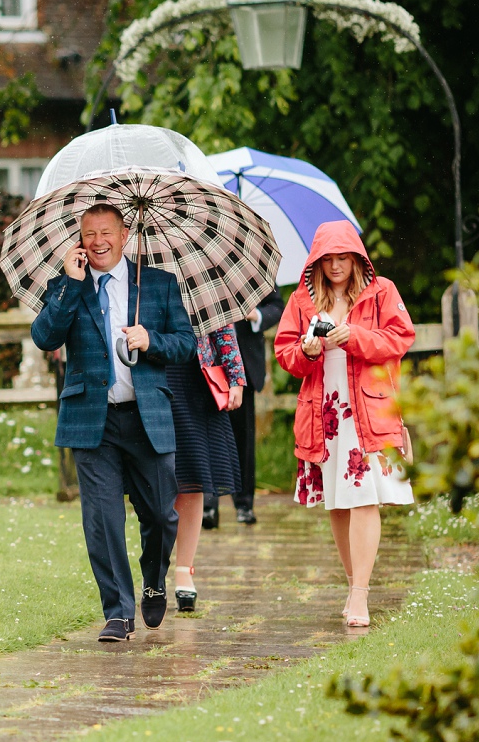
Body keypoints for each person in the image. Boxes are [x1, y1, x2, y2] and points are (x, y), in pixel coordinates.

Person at [31, 203, 196, 642]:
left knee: (161, 516)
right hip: (93, 419)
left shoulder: (158, 284)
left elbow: (185, 344)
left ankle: (155, 579)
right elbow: (45, 337)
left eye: (106, 232)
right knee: (103, 519)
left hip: (147, 418)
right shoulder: (67, 285)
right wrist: (70, 284)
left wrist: (151, 339)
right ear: (79, 239)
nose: (98, 241)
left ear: (125, 235)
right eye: (89, 234)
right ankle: (118, 612)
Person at [274, 221, 415, 628]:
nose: (336, 266)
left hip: (368, 410)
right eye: (328, 259)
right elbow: (286, 355)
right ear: (316, 261)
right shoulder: (302, 300)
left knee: (365, 497)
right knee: (338, 503)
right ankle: (354, 582)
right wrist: (309, 350)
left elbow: (399, 339)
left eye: (343, 258)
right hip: (326, 413)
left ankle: (360, 595)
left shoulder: (381, 291)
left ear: (357, 258)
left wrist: (352, 336)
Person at [167, 325, 246, 612]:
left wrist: (235, 377)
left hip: (195, 378)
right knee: (158, 483)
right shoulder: (136, 279)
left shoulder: (200, 278)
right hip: (150, 377)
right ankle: (154, 571)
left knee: (192, 478)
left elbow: (221, 323)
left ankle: (183, 570)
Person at [229, 289, 285, 525]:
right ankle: (208, 507)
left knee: (244, 438)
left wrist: (255, 315)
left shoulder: (251, 262)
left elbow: (276, 307)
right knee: (206, 440)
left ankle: (244, 504)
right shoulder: (195, 262)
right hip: (204, 363)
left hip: (244, 362)